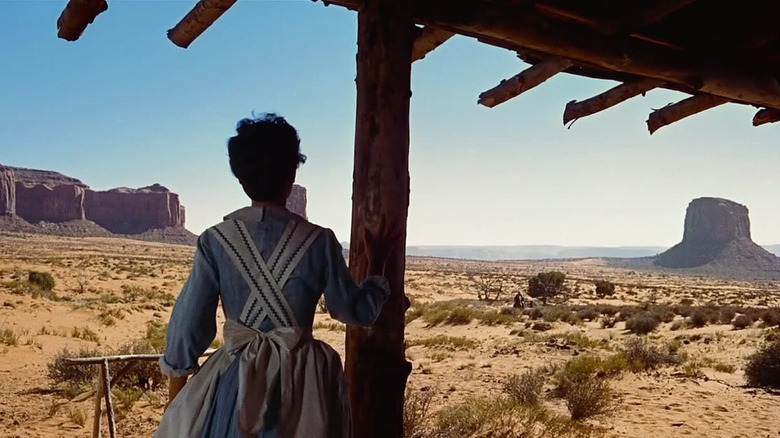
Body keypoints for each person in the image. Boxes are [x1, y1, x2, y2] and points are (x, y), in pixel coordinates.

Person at [155, 114, 392, 438]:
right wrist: (377, 271)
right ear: (291, 174)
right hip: (305, 384)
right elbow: (352, 311)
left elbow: (187, 327)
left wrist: (178, 400)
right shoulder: (319, 241)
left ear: (239, 176)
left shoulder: (215, 240)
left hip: (235, 384)